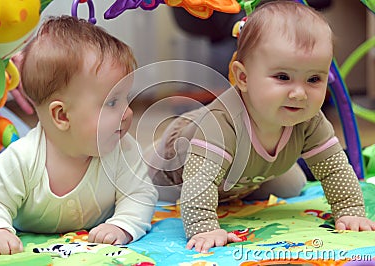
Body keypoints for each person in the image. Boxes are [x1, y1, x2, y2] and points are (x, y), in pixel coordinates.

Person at [147, 1, 375, 254]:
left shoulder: (309, 119)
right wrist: (204, 227)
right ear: (243, 78)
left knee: (292, 185)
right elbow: (199, 182)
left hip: (243, 176)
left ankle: (238, 189)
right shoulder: (222, 123)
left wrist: (350, 210)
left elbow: (334, 169)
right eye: (282, 77)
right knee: (143, 192)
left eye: (314, 79)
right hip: (175, 172)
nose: (299, 93)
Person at [0, 15, 158, 256]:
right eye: (112, 102)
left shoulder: (123, 150)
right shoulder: (22, 159)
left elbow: (140, 194)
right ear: (62, 115)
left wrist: (121, 224)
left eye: (126, 98)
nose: (128, 112)